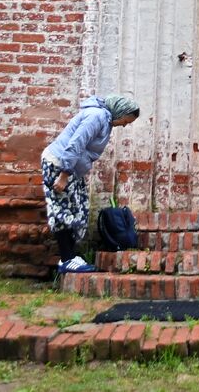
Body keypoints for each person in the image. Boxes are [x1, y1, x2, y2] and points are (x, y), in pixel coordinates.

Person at [41, 93, 140, 273]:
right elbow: (76, 143)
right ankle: (66, 259)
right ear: (120, 112)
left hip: (69, 168)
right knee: (62, 211)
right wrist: (64, 175)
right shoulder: (96, 116)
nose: (125, 124)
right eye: (126, 121)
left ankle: (70, 256)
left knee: (78, 209)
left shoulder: (105, 120)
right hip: (59, 164)